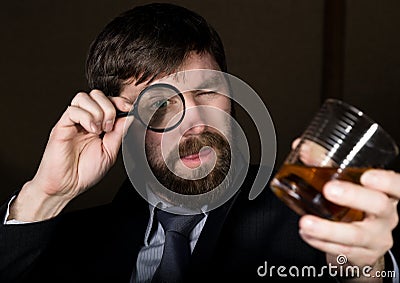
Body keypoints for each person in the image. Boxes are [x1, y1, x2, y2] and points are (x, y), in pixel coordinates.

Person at [0, 3, 399, 283]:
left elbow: (353, 265)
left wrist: (363, 268)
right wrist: (45, 195)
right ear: (119, 119)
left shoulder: (311, 219)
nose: (194, 120)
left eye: (207, 91)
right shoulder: (69, 242)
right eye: (160, 103)